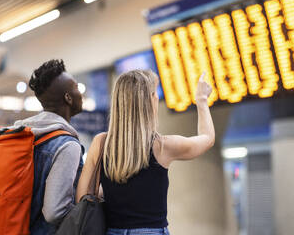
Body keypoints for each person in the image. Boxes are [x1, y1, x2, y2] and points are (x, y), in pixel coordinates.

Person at [76, 70, 215, 235]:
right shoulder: (163, 146)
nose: (156, 97)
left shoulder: (101, 143)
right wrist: (201, 99)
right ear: (148, 101)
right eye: (154, 93)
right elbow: (207, 138)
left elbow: (82, 197)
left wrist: (114, 191)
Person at [14, 59, 84, 235]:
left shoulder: (17, 133)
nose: (80, 93)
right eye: (76, 87)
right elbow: (54, 212)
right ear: (68, 98)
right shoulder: (67, 144)